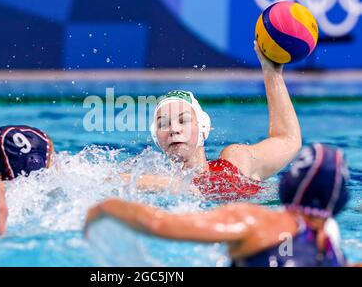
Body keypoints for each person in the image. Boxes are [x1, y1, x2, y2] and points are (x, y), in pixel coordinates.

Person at [86, 144, 350, 267]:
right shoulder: (330, 245)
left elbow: (158, 223)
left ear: (288, 185)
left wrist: (107, 207)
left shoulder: (254, 220)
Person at [127, 42, 302, 200]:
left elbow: (288, 140)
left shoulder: (236, 162)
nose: (173, 129)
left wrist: (272, 73)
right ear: (157, 138)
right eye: (163, 123)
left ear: (203, 127)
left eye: (183, 120)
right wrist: (168, 185)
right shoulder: (150, 176)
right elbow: (107, 177)